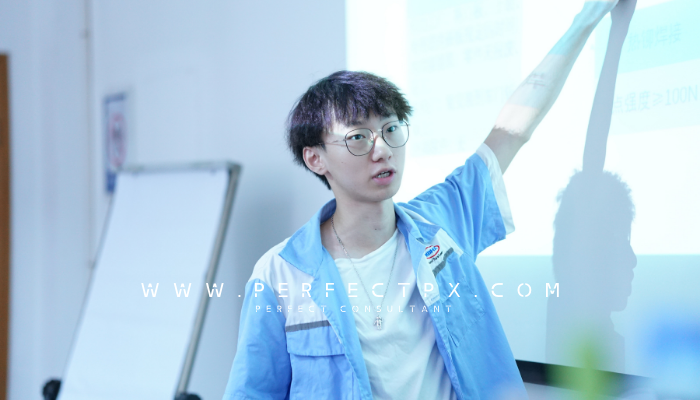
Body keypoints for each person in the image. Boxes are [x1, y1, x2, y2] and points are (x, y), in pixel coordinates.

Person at [223, 1, 625, 398]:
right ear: (315, 158)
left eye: (391, 129)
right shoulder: (280, 274)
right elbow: (252, 393)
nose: (382, 149)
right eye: (359, 137)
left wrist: (586, 18)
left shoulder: (442, 222)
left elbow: (513, 129)